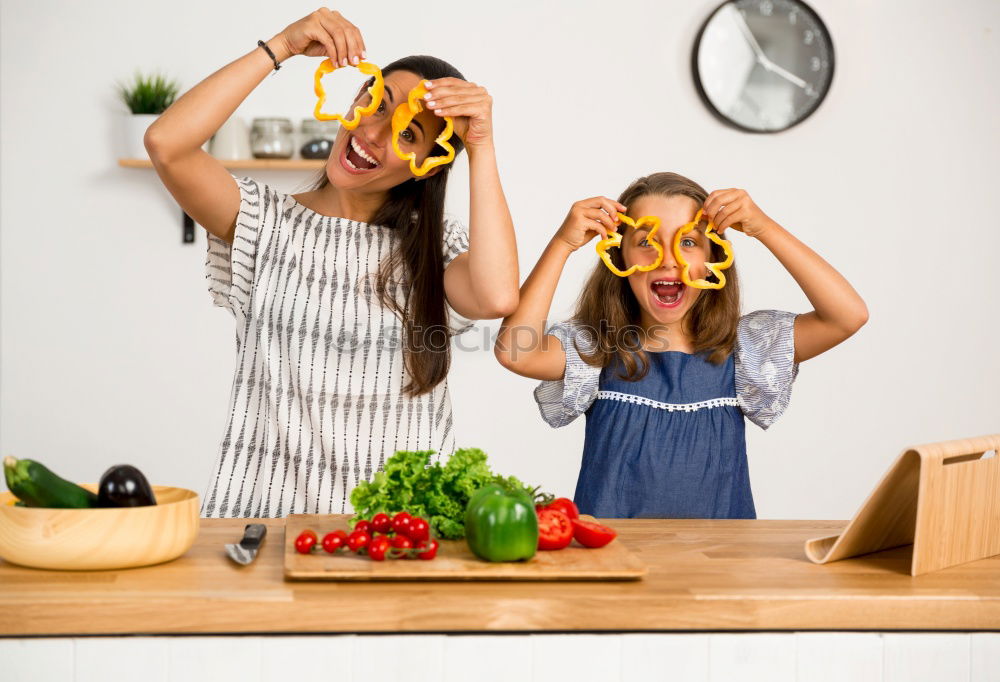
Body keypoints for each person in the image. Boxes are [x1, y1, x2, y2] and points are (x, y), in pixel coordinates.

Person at [145, 9, 519, 517]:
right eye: (376, 103)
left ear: (426, 166)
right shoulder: (262, 221)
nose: (375, 132)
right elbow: (167, 144)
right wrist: (280, 46)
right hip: (263, 523)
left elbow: (497, 296)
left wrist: (482, 144)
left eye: (409, 134)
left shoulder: (434, 250)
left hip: (397, 534)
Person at [495, 172, 867, 518]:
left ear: (712, 260)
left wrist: (764, 228)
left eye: (688, 242)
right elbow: (516, 351)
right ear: (617, 256)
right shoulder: (595, 349)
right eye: (646, 242)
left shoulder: (746, 348)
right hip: (613, 560)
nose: (668, 258)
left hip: (717, 566)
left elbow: (847, 315)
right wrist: (562, 245)